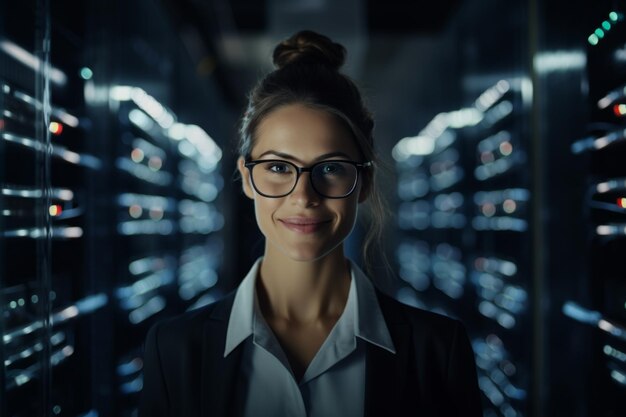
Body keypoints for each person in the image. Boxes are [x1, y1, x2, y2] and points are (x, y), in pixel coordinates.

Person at [139, 29, 482, 417]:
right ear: (247, 178)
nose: (304, 196)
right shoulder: (173, 349)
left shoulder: (438, 350)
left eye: (331, 168)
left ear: (364, 182)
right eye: (279, 167)